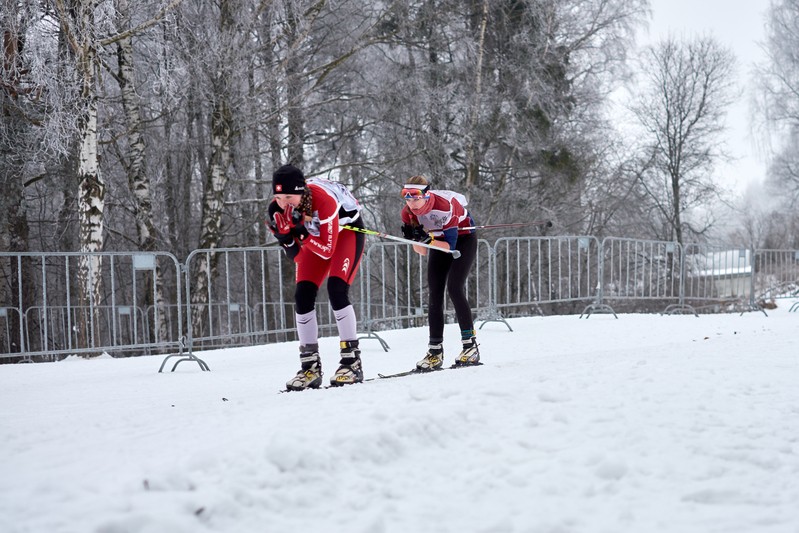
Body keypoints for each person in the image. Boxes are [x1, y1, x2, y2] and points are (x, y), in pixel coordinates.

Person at [267, 164, 366, 390]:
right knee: (302, 295)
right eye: (278, 197)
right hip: (315, 240)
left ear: (302, 192)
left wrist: (300, 232)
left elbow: (327, 250)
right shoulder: (276, 210)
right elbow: (299, 258)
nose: (283, 203)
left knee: (336, 289)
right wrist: (286, 237)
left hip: (346, 233)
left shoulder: (323, 201)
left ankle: (352, 362)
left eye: (289, 197)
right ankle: (310, 367)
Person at [400, 175, 480, 371]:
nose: (411, 203)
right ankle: (435, 351)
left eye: (416, 197)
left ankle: (470, 346)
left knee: (454, 288)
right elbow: (423, 251)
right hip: (438, 241)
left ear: (427, 195)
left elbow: (450, 247)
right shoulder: (408, 213)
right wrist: (416, 240)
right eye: (407, 197)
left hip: (462, 239)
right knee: (434, 293)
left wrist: (427, 241)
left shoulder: (443, 206)